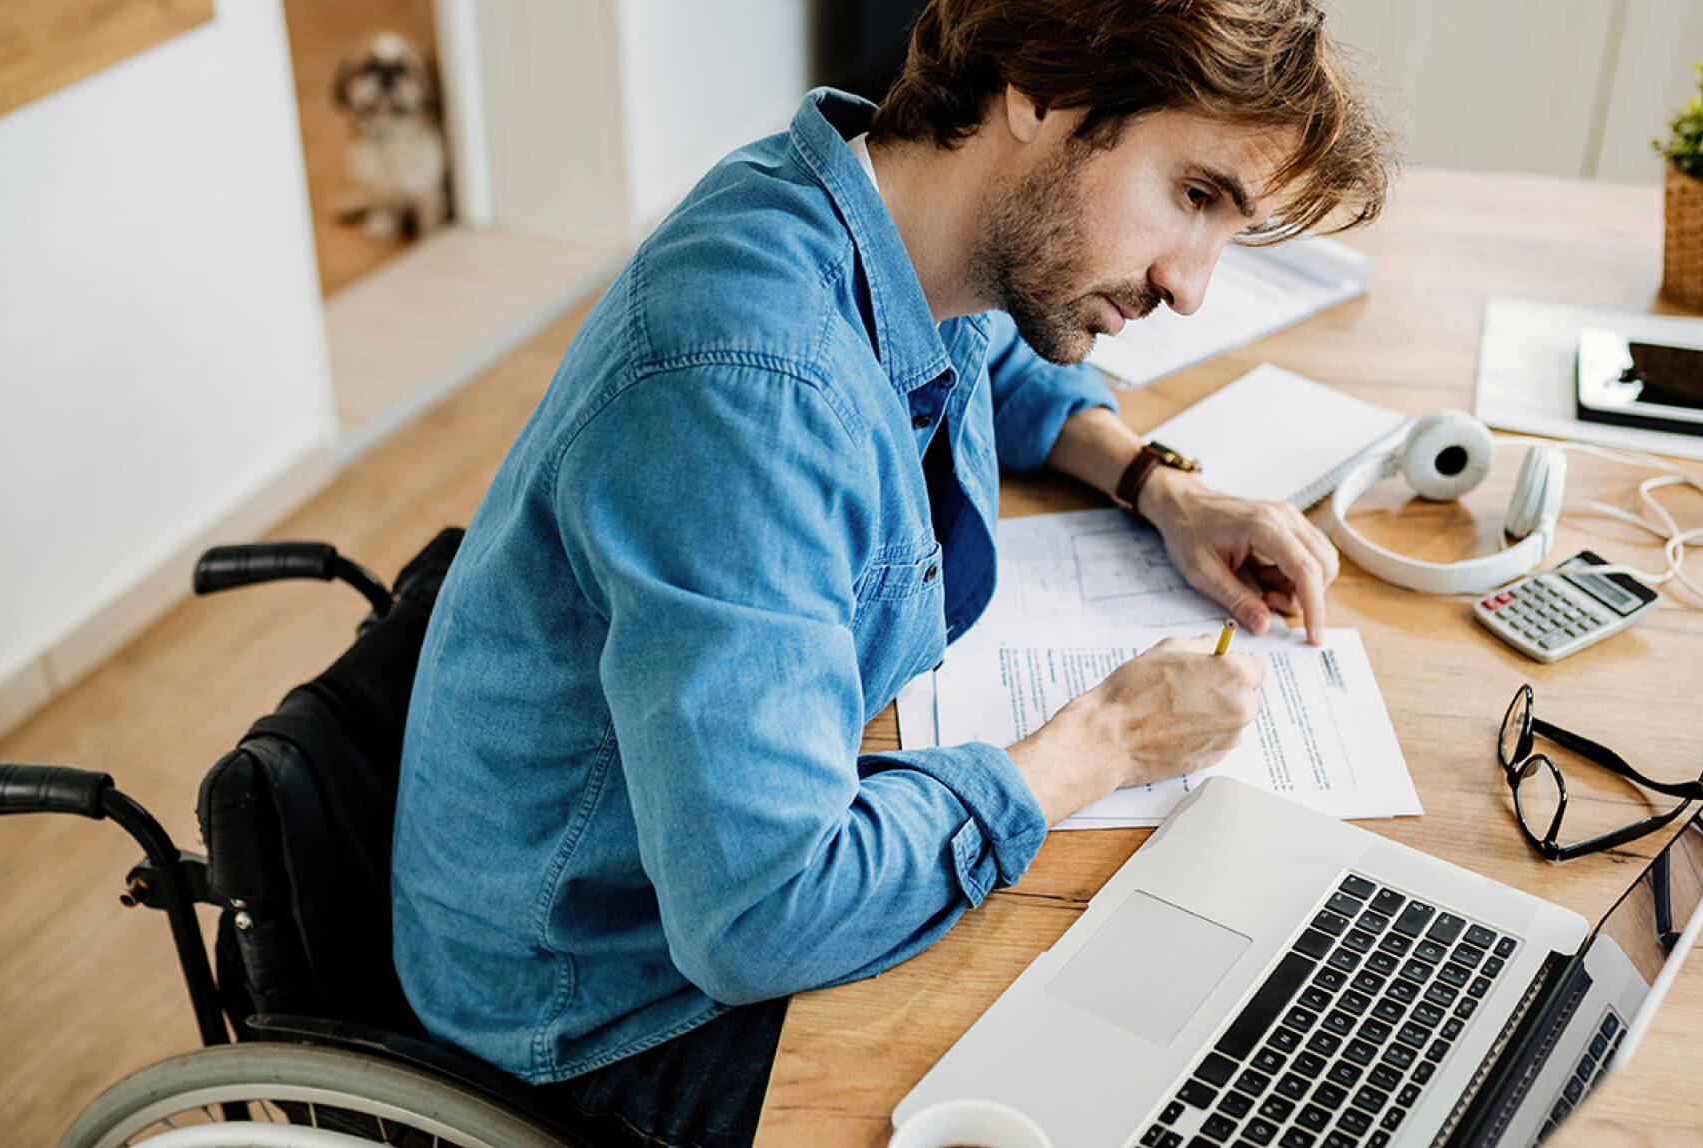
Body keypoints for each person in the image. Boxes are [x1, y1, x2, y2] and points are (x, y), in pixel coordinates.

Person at [390, 1, 1395, 1144]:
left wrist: (1157, 484)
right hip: (601, 1016)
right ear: (1039, 91)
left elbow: (998, 357)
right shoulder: (749, 385)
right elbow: (761, 917)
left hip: (706, 897)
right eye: (1193, 196)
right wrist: (1099, 743)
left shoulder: (894, 223)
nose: (1191, 284)